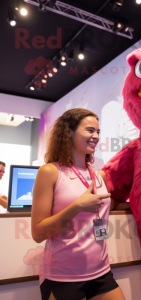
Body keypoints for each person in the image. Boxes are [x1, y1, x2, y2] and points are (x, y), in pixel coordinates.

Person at [31, 108, 126, 300]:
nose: (96, 136)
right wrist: (77, 206)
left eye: (98, 132)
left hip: (101, 271)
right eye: (90, 130)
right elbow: (38, 233)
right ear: (69, 132)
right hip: (63, 276)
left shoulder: (99, 175)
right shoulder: (50, 172)